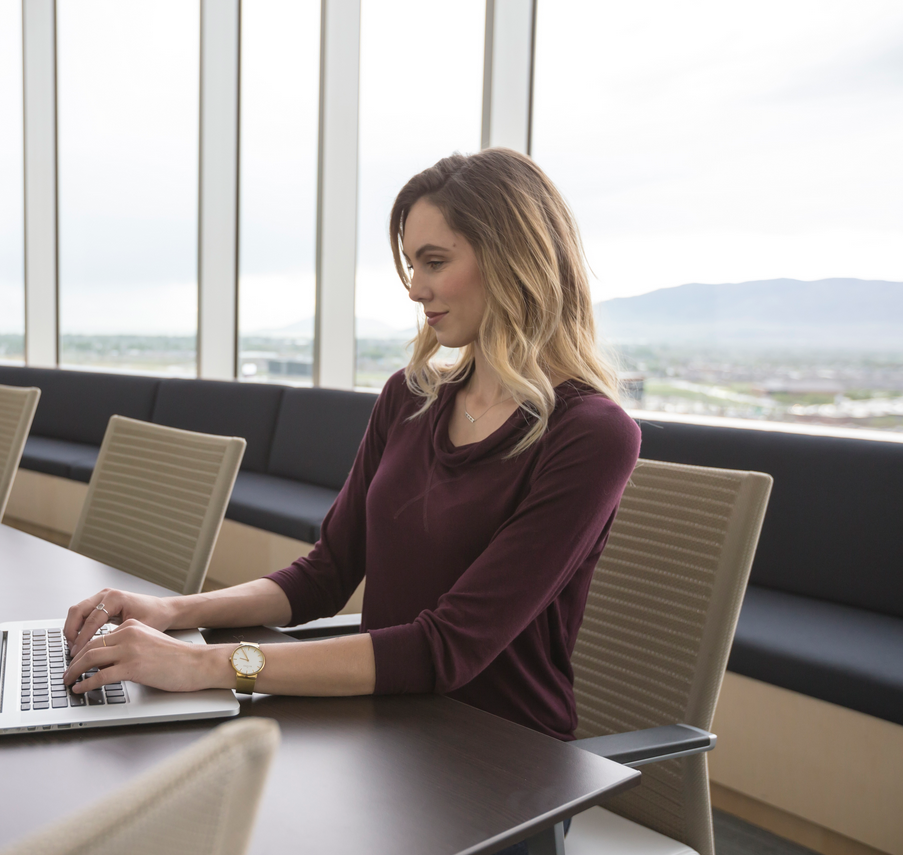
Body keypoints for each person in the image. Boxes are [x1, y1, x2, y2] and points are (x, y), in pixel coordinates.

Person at [62, 147, 640, 743]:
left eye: (435, 262)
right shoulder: (409, 398)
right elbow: (327, 573)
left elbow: (447, 649)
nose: (416, 289)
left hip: (501, 763)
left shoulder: (590, 435)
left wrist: (207, 664)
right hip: (380, 725)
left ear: (512, 259)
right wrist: (172, 612)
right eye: (412, 265)